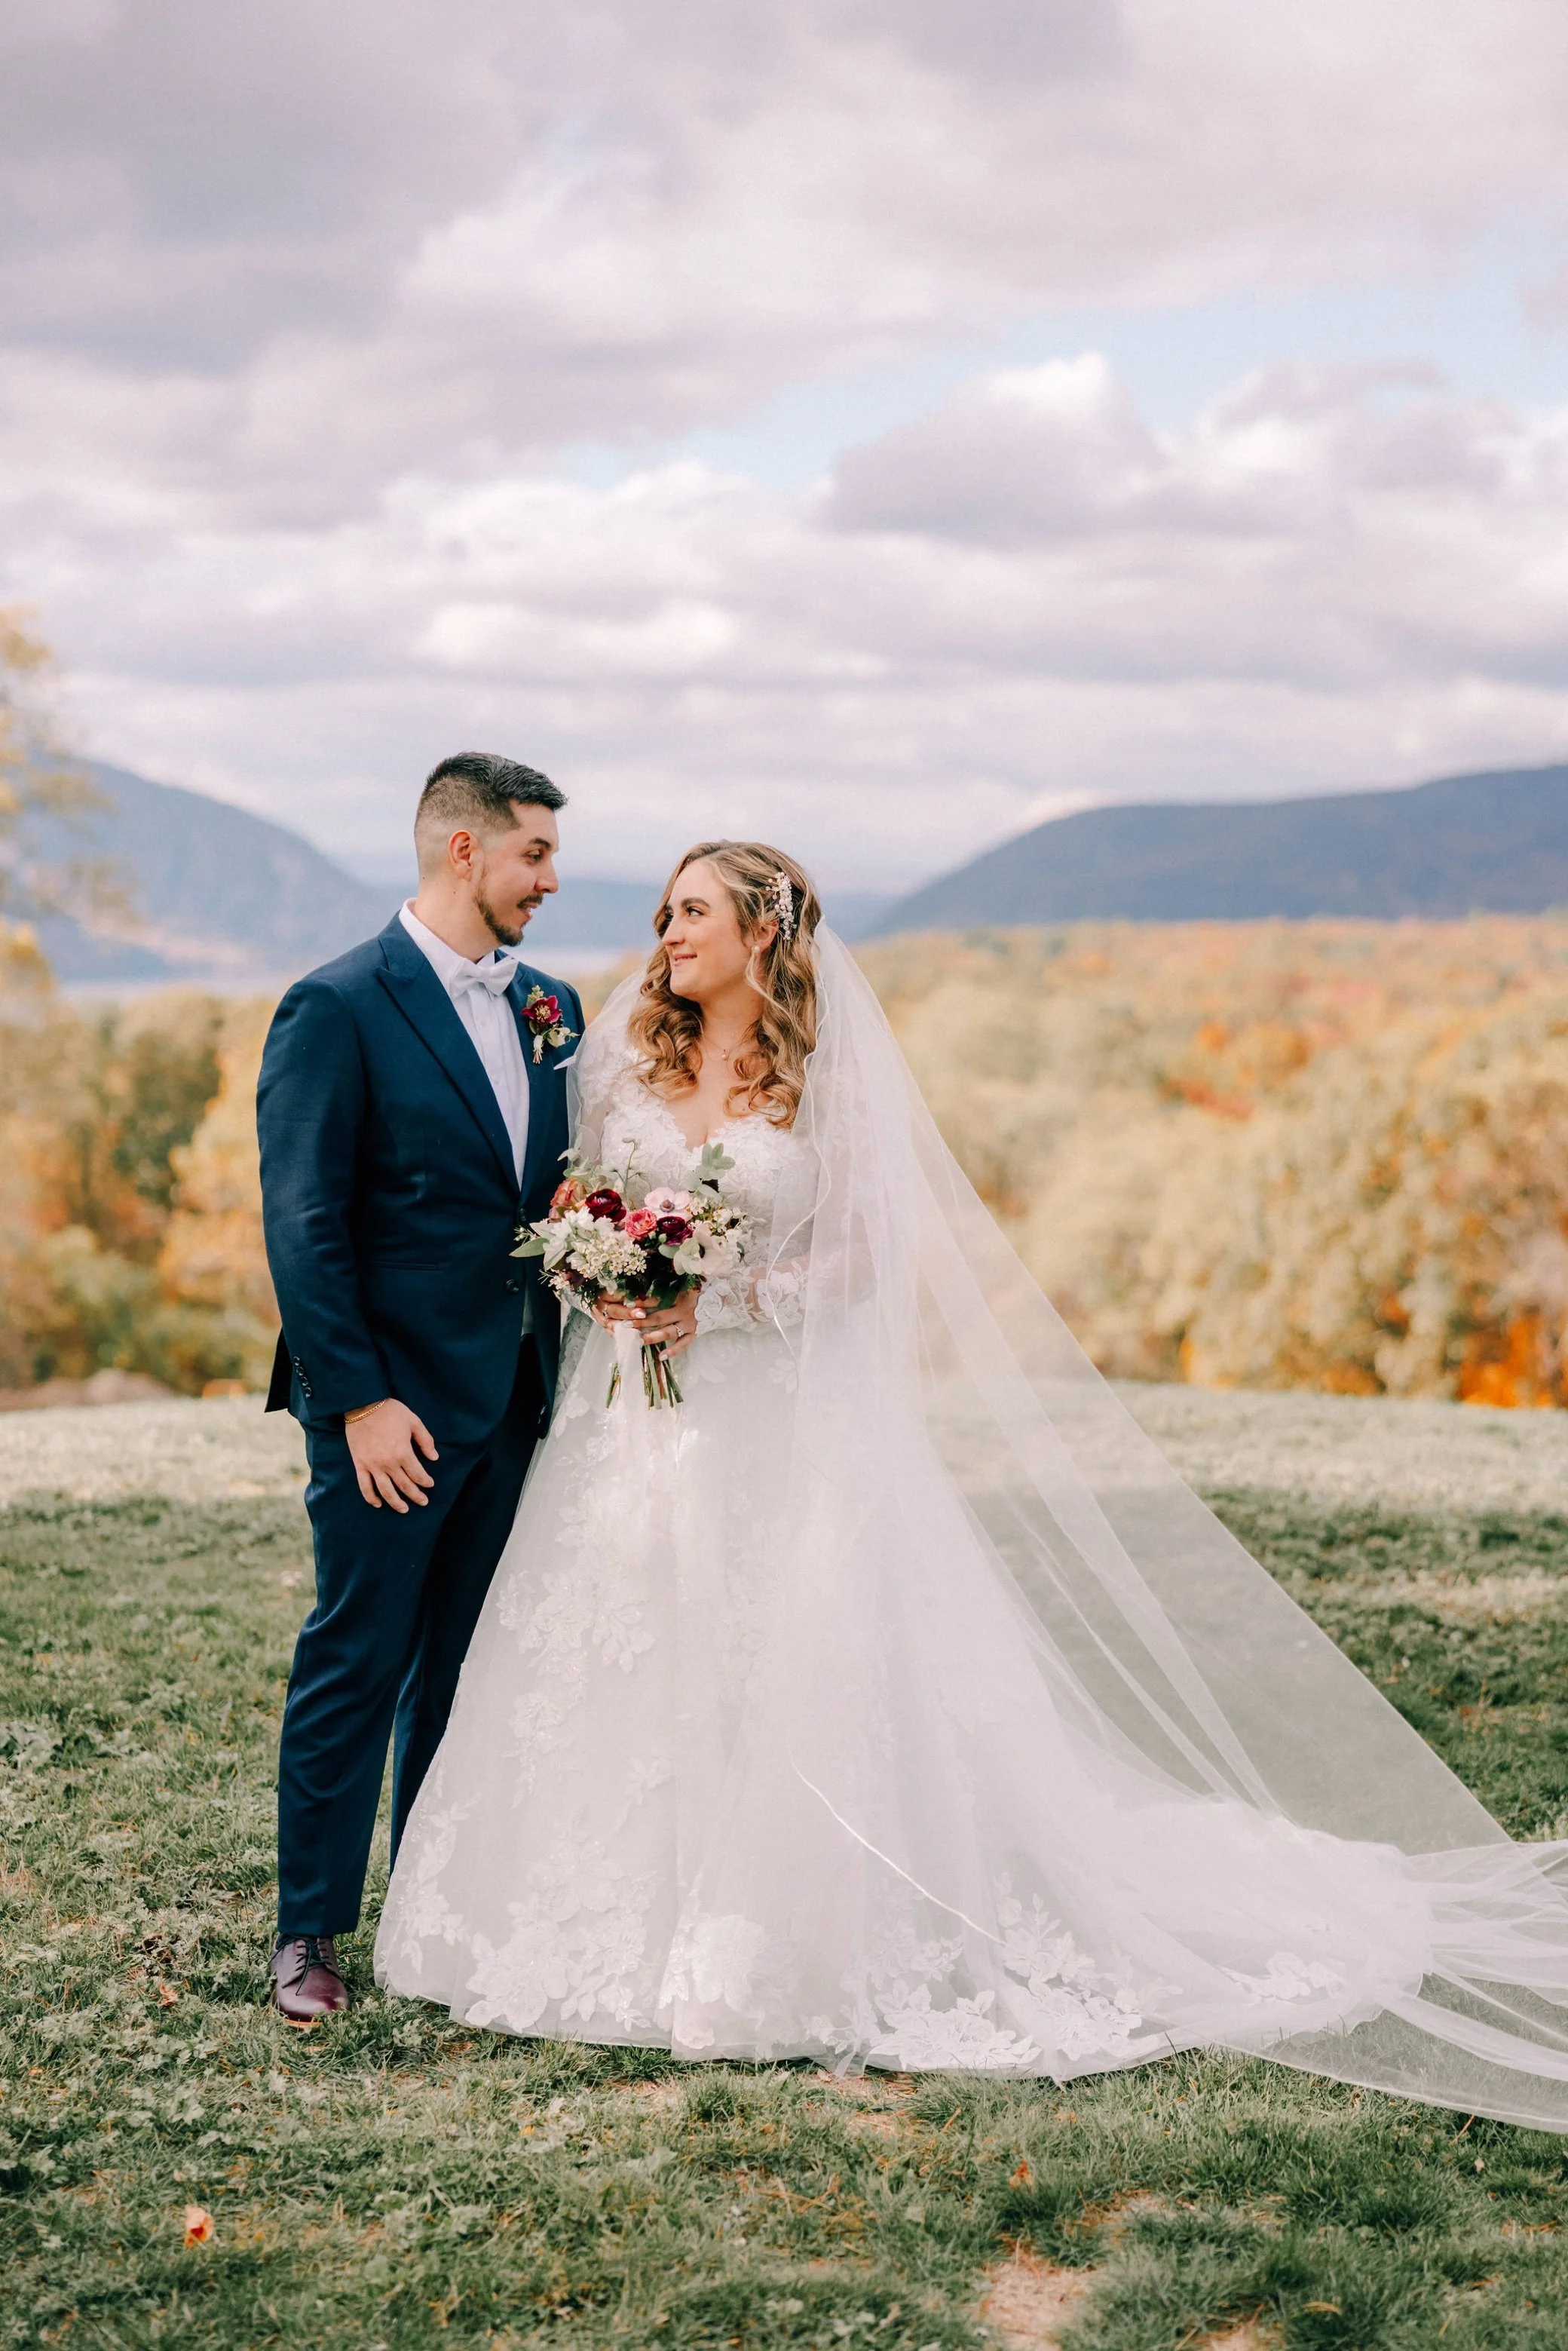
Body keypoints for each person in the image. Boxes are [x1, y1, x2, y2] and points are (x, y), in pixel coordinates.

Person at [378, 839, 1568, 2130]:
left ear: (764, 935)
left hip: (770, 1412)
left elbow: (866, 1260)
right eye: (667, 912)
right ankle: (587, 1916)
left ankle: (778, 1932)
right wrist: (604, 1275)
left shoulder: (822, 1076)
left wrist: (716, 1303)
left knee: (784, 1655)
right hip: (630, 1431)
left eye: (696, 913)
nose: (670, 933)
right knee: (620, 1642)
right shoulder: (624, 1058)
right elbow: (572, 1203)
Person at [256, 751, 599, 2022]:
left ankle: (436, 1911)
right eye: (535, 856)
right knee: (357, 1659)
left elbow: (555, 1197)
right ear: (465, 850)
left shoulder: (551, 1007)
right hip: (387, 1412)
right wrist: (355, 1400)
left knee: (464, 1669)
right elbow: (304, 1220)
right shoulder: (336, 1005)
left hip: (515, 1400)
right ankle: (309, 1938)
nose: (551, 881)